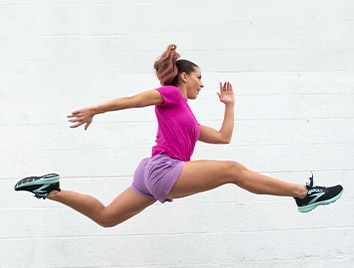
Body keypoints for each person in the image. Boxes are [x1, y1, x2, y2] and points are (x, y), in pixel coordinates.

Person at [14, 44, 343, 227]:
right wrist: (95, 110)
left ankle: (51, 190)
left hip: (149, 171)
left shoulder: (188, 119)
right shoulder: (171, 96)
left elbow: (223, 137)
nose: (202, 83)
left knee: (106, 217)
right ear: (183, 77)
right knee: (233, 170)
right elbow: (132, 101)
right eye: (199, 77)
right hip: (163, 169)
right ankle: (303, 193)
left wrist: (229, 105)